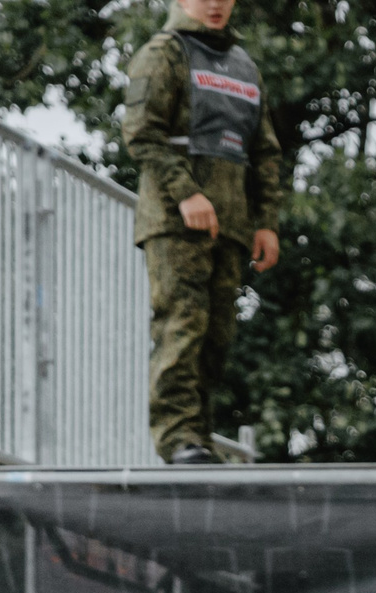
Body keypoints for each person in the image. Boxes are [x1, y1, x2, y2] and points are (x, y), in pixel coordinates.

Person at [122, 0, 282, 465]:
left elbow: (265, 151)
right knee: (181, 327)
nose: (215, 4)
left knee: (216, 339)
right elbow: (141, 132)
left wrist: (266, 221)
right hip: (176, 222)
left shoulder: (243, 65)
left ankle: (199, 440)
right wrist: (186, 192)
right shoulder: (163, 53)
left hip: (230, 226)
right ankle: (178, 440)